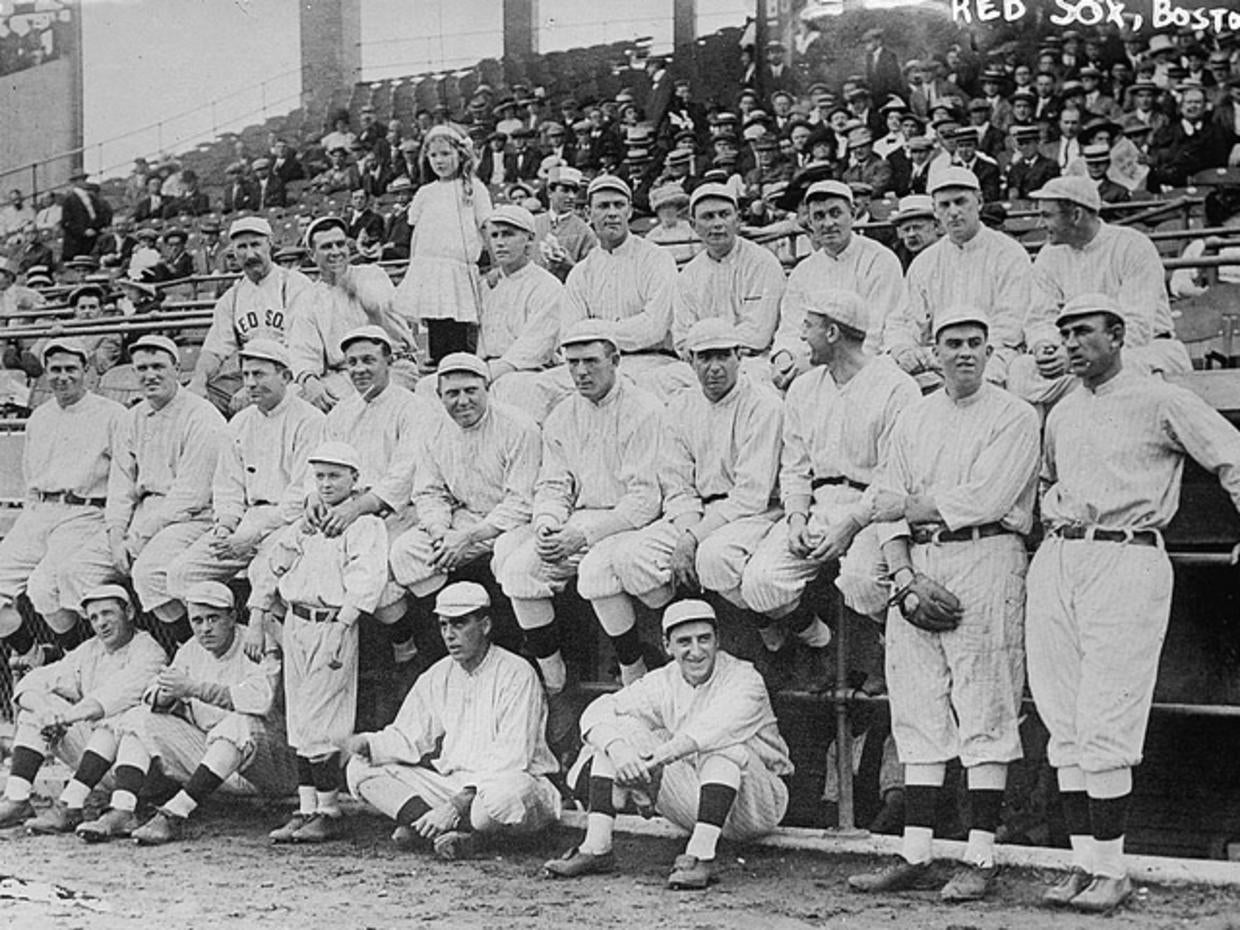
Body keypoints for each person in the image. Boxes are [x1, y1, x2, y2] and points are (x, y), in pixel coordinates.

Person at [1026, 292, 1240, 913]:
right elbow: (1047, 482)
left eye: (1084, 331)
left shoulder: (1160, 397)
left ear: (1117, 336)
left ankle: (1113, 870)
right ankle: (1084, 865)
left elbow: (1231, 455)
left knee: (1106, 714)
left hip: (1127, 554)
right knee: (1062, 719)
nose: (1071, 343)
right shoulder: (1063, 409)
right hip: (1063, 556)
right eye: (1064, 332)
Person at [848, 305, 1039, 902]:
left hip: (987, 555)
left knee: (985, 699)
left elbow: (985, 497)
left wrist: (905, 508)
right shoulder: (913, 416)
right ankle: (916, 853)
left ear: (989, 350)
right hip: (920, 562)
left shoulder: (1015, 414)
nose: (964, 353)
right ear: (934, 350)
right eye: (952, 343)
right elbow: (884, 497)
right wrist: (902, 576)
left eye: (975, 343)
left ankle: (979, 856)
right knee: (917, 704)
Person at [584, 319, 782, 686]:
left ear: (740, 356)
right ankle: (679, 636)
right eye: (704, 357)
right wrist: (688, 529)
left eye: (724, 355)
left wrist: (692, 539)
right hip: (695, 511)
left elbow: (751, 494)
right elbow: (676, 484)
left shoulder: (764, 405)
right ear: (690, 361)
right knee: (629, 559)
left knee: (713, 557)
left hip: (751, 512)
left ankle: (772, 633)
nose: (714, 367)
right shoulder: (679, 407)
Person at [543, 598, 793, 890]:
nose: (696, 651)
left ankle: (700, 856)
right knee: (616, 732)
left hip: (758, 804)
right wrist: (621, 752)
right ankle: (596, 848)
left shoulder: (744, 678)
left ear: (718, 640)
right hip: (701, 803)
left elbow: (711, 730)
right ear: (667, 646)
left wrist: (655, 762)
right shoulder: (663, 680)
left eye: (704, 639)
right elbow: (598, 710)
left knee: (724, 748)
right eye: (684, 642)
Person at [494, 320, 663, 737]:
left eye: (591, 361)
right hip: (578, 519)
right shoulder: (563, 414)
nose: (582, 372)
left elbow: (644, 499)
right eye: (573, 364)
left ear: (616, 360)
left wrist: (583, 536)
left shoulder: (645, 410)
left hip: (631, 522)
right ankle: (557, 683)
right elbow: (553, 483)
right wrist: (548, 524)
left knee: (596, 572)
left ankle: (633, 674)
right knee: (517, 569)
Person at [741, 290, 919, 685]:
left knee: (863, 580)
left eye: (809, 327)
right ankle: (821, 643)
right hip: (821, 504)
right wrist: (795, 519)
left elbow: (893, 476)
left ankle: (886, 647)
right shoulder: (804, 389)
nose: (801, 337)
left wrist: (851, 525)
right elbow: (796, 467)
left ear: (834, 332)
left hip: (875, 509)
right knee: (760, 582)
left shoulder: (896, 387)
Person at [346, 581, 560, 858]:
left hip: (512, 785)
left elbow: (512, 757)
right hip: (453, 786)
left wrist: (455, 806)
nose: (449, 635)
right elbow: (408, 736)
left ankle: (459, 833)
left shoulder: (517, 673)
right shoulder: (439, 674)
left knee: (498, 800)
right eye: (444, 625)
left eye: (459, 624)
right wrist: (364, 743)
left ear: (484, 625)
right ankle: (438, 829)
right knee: (360, 767)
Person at [69, 582, 295, 844]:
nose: (205, 628)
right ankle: (122, 810)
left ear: (232, 616)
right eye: (197, 621)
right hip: (212, 764)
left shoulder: (257, 643)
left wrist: (194, 689)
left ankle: (174, 814)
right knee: (138, 716)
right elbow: (154, 691)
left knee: (238, 723)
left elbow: (259, 700)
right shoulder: (191, 649)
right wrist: (165, 697)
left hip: (271, 767)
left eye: (213, 618)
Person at [249, 441, 389, 844]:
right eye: (321, 476)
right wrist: (258, 615)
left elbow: (367, 582)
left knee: (324, 720)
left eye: (336, 476)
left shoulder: (365, 525)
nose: (327, 484)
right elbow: (275, 562)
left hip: (333, 623)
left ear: (355, 480)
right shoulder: (308, 522)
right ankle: (307, 807)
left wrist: (339, 630)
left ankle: (329, 810)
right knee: (301, 720)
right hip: (296, 620)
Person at [165, 340, 324, 623]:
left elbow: (302, 493)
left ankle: (276, 650)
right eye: (246, 375)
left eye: (259, 374)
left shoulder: (310, 420)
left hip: (290, 523)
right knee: (182, 573)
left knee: (262, 574)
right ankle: (230, 639)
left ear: (286, 377)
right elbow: (228, 486)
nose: (250, 383)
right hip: (245, 521)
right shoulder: (239, 422)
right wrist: (226, 526)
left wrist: (253, 534)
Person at [0, 339, 126, 669]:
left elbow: (124, 478)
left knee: (44, 587)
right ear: (45, 373)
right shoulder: (39, 417)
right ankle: (33, 655)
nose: (62, 376)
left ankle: (75, 659)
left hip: (85, 511)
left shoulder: (113, 414)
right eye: (55, 369)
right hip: (40, 511)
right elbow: (31, 476)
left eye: (71, 369)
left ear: (86, 371)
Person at [315, 325, 437, 663]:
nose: (359, 369)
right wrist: (315, 497)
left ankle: (407, 648)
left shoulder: (413, 407)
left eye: (368, 359)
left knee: (377, 567)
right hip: (349, 511)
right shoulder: (341, 411)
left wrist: (357, 509)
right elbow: (324, 462)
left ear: (389, 360)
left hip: (399, 511)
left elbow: (405, 475)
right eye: (351, 363)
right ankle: (345, 655)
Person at [0, 585, 165, 829]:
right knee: (38, 707)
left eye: (108, 613)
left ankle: (74, 804)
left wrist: (62, 719)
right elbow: (32, 682)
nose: (101, 623)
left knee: (122, 717)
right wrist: (47, 713)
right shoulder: (91, 649)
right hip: (97, 764)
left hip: (142, 772)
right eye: (95, 617)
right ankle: (17, 799)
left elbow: (108, 699)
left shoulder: (149, 651)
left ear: (129, 612)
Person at [389, 353, 539, 618]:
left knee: (508, 554)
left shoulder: (518, 426)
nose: (463, 401)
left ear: (487, 389)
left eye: (471, 391)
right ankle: (453, 623)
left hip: (514, 523)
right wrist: (440, 532)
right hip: (465, 519)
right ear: (439, 395)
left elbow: (521, 501)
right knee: (406, 551)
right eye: (452, 393)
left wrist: (467, 538)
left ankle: (507, 633)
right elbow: (430, 492)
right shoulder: (432, 429)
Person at [106, 335, 227, 643]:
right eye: (142, 368)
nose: (150, 375)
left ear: (176, 368)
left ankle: (191, 652)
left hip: (194, 517)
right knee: (77, 569)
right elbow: (120, 485)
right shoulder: (132, 417)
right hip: (146, 514)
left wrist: (136, 539)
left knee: (150, 573)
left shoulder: (201, 415)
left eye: (158, 366)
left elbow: (191, 494)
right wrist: (116, 534)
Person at [1024, 176, 1189, 383]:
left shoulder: (1133, 246)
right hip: (1072, 352)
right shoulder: (1048, 255)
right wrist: (1045, 346)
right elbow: (1040, 318)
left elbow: (1136, 327)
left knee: (1118, 369)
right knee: (1023, 370)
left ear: (1076, 215)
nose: (1041, 224)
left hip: (1144, 349)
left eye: (1047, 215)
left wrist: (1081, 355)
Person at [884, 167, 1033, 388]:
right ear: (935, 211)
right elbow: (904, 320)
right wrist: (904, 349)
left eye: (960, 202)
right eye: (944, 205)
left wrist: (963, 355)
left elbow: (1009, 326)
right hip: (937, 357)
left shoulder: (1009, 254)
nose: (953, 212)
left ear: (979, 202)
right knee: (885, 374)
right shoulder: (926, 261)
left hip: (993, 354)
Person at [544, 174, 684, 404]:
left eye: (619, 205)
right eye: (603, 206)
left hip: (650, 361)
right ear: (588, 214)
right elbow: (570, 333)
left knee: (633, 390)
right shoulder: (581, 272)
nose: (612, 213)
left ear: (629, 211)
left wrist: (595, 328)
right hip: (592, 365)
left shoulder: (657, 259)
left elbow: (654, 328)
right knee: (534, 387)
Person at [774, 181, 903, 387]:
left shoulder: (880, 260)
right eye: (819, 216)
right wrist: (784, 359)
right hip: (811, 365)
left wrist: (824, 368)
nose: (828, 223)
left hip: (865, 366)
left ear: (852, 214)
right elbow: (790, 329)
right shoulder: (803, 270)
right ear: (810, 223)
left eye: (835, 213)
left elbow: (875, 334)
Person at [288, 216, 416, 412]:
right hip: (343, 374)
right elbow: (303, 351)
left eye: (340, 245)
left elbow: (382, 307)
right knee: (294, 400)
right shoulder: (307, 298)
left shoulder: (372, 274)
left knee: (358, 405)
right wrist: (309, 380)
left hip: (391, 366)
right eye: (326, 247)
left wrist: (357, 291)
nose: (336, 252)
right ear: (311, 254)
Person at [187, 216, 314, 414]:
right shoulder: (232, 297)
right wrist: (198, 381)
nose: (250, 254)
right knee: (194, 402)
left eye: (256, 244)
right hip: (248, 375)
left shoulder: (295, 284)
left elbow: (301, 348)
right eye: (242, 247)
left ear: (270, 245)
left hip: (290, 372)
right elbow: (214, 349)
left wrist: (253, 387)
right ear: (233, 252)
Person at [393, 125, 493, 366]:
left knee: (458, 323)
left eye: (446, 154)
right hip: (429, 267)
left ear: (460, 155)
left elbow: (487, 226)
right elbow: (418, 231)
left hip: (458, 267)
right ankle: (438, 362)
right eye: (433, 155)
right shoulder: (425, 192)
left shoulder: (473, 189)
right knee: (436, 319)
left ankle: (460, 363)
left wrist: (496, 263)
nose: (439, 160)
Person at [674, 184, 783, 366]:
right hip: (701, 365)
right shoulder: (689, 274)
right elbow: (682, 336)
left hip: (753, 361)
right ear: (693, 225)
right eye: (708, 217)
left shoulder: (762, 263)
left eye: (724, 215)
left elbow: (758, 334)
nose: (717, 224)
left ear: (738, 219)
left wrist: (704, 343)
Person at [473, 204, 564, 418]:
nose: (500, 242)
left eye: (508, 234)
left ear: (529, 240)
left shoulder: (546, 285)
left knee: (510, 389)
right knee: (430, 387)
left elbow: (535, 346)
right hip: (486, 367)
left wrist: (488, 373)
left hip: (527, 370)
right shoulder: (486, 285)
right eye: (494, 235)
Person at [533, 165, 597, 281]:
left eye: (575, 191)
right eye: (565, 190)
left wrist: (570, 265)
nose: (572, 196)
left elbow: (592, 277)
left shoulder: (584, 232)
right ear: (549, 192)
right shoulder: (533, 224)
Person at [889, 194, 941, 272]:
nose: (911, 234)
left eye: (917, 227)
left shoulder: (948, 255)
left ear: (936, 226)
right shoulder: (898, 260)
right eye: (906, 229)